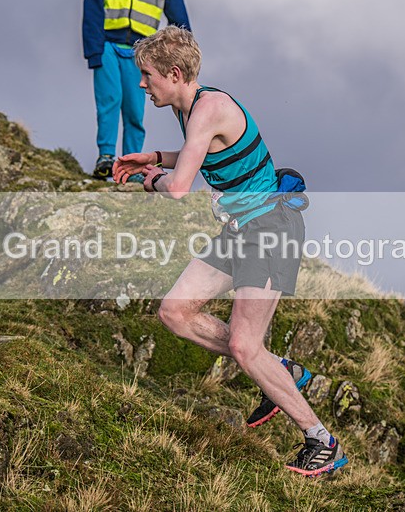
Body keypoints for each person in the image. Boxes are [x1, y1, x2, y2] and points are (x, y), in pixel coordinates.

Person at [113, 26, 348, 477]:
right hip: (240, 229)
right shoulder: (189, 107)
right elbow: (202, 151)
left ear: (174, 73)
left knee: (243, 345)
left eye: (147, 75)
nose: (142, 84)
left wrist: (155, 180)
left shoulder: (209, 108)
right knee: (175, 312)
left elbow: (179, 188)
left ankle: (322, 442)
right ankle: (278, 370)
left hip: (271, 228)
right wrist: (155, 158)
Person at [83, 0, 191, 181]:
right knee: (109, 101)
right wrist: (94, 52)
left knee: (134, 111)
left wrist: (181, 60)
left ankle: (130, 166)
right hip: (107, 46)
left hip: (141, 54)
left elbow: (180, 22)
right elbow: (92, 7)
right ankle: (105, 157)